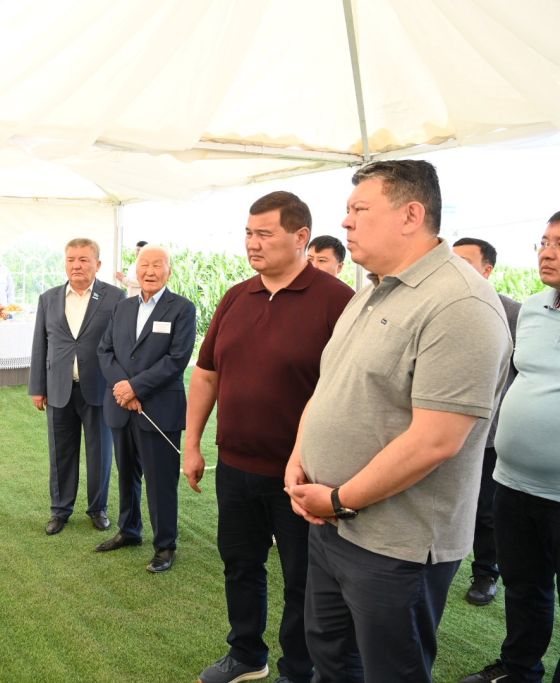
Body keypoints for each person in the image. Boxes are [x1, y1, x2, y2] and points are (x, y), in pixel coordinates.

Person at [284, 160, 511, 682]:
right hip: (331, 524)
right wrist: (300, 459)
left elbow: (436, 441)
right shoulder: (372, 290)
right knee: (331, 656)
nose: (345, 222)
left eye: (359, 209)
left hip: (396, 545)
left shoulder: (459, 304)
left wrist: (339, 499)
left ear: (411, 215)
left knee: (391, 670)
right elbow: (330, 386)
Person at [185, 192, 354, 683]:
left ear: (301, 237)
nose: (252, 244)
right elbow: (206, 374)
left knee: (303, 579)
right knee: (240, 564)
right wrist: (193, 444)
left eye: (264, 234)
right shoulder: (236, 296)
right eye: (248, 233)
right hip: (235, 466)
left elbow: (347, 391)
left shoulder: (337, 301)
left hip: (302, 475)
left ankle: (297, 670)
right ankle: (246, 654)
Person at [461, 214, 560, 683]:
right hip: (513, 482)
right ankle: (519, 670)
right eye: (544, 241)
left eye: (559, 243)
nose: (547, 252)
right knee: (524, 587)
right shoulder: (533, 310)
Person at [96, 245, 195, 572]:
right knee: (127, 474)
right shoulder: (122, 308)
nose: (150, 271)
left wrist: (136, 387)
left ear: (169, 271)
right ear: (135, 270)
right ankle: (129, 530)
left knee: (160, 480)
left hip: (159, 410)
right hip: (121, 407)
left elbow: (177, 359)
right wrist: (123, 388)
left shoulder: (181, 309)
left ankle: (165, 545)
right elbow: (105, 351)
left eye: (157, 265)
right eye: (144, 265)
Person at [29, 238, 125, 536]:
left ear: (98, 264)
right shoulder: (49, 298)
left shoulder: (115, 297)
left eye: (84, 259)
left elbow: (122, 345)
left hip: (99, 388)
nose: (77, 265)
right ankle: (60, 510)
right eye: (71, 259)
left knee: (100, 453)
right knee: (61, 452)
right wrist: (37, 387)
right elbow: (40, 344)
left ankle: (98, 508)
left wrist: (121, 383)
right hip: (59, 388)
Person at [451, 237, 521, 606]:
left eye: (464, 261)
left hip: (491, 433)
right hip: (444, 428)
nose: (454, 267)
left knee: (487, 510)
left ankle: (485, 573)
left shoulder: (511, 313)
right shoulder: (442, 306)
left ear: (487, 269)